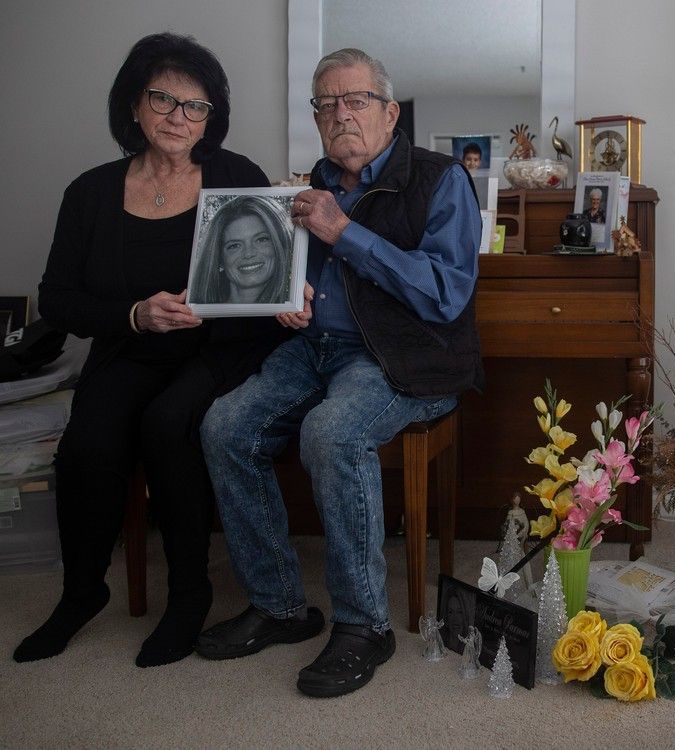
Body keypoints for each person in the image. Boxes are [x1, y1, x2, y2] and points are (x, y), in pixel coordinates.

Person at [195, 48, 484, 698]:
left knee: (331, 433)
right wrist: (287, 294)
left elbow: (445, 292)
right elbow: (296, 274)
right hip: (313, 352)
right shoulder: (306, 186)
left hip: (404, 358)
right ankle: (280, 606)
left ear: (388, 112)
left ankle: (364, 626)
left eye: (354, 101)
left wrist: (344, 231)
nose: (340, 114)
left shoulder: (441, 180)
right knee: (224, 426)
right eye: (326, 104)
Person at [13, 33, 285, 669]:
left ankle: (188, 594)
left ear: (210, 117)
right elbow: (55, 299)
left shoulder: (236, 177)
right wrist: (134, 314)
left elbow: (268, 269)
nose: (178, 118)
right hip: (128, 349)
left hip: (217, 352)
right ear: (133, 105)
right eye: (163, 99)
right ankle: (81, 592)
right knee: (86, 444)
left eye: (196, 106)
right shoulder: (90, 192)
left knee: (170, 426)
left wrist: (287, 291)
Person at [190, 196, 293, 304]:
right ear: (219, 258)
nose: (248, 254)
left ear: (279, 244)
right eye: (234, 246)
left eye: (261, 239)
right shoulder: (199, 313)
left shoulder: (292, 307)